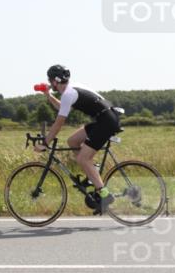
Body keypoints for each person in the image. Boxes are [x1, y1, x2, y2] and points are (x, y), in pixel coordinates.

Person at [34, 64, 120, 213]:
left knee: (82, 159)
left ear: (55, 81)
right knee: (72, 141)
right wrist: (48, 96)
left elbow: (59, 122)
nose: (49, 83)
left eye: (50, 80)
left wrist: (45, 143)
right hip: (103, 119)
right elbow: (63, 107)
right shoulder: (71, 90)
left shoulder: (68, 94)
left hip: (106, 122)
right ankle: (93, 170)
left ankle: (105, 195)